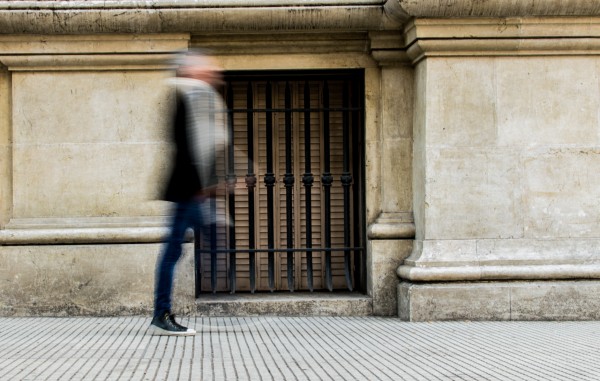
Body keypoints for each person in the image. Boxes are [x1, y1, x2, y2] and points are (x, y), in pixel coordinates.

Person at [150, 50, 228, 336]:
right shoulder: (185, 96)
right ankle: (162, 313)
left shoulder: (197, 95)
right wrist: (200, 189)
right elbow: (186, 147)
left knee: (176, 249)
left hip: (192, 190)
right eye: (206, 68)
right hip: (188, 191)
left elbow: (206, 145)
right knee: (179, 250)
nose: (212, 72)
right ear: (191, 70)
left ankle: (163, 312)